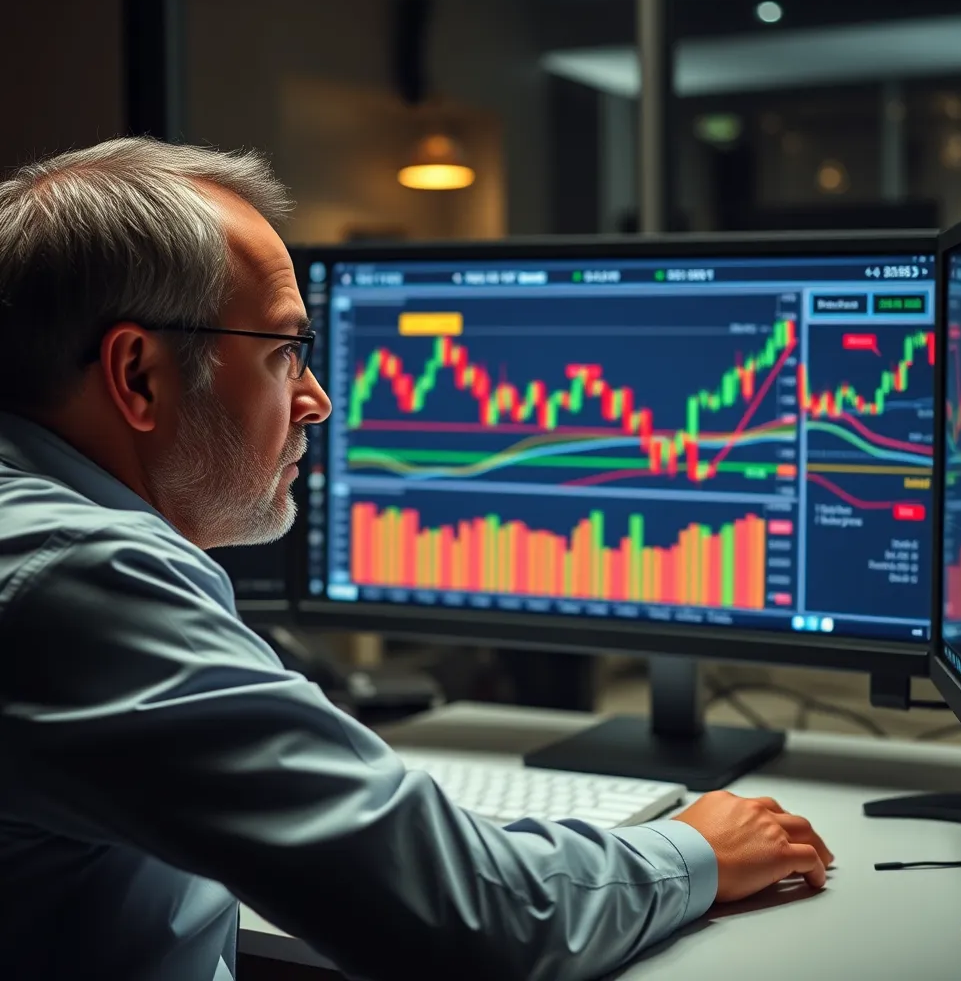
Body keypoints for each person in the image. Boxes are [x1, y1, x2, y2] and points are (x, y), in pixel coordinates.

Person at [0, 138, 833, 981]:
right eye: (284, 351)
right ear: (138, 374)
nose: (318, 400)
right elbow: (479, 921)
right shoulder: (82, 575)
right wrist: (694, 849)